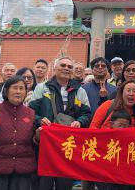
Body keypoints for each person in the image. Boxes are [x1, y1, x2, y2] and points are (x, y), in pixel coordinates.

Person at [29, 57, 91, 190]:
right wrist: (40, 120)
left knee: (65, 183)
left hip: (68, 145)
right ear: (55, 68)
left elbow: (87, 114)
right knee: (44, 183)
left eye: (69, 67)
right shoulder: (42, 88)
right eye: (63, 65)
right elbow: (30, 112)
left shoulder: (80, 91)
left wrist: (79, 122)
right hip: (47, 145)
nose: (66, 68)